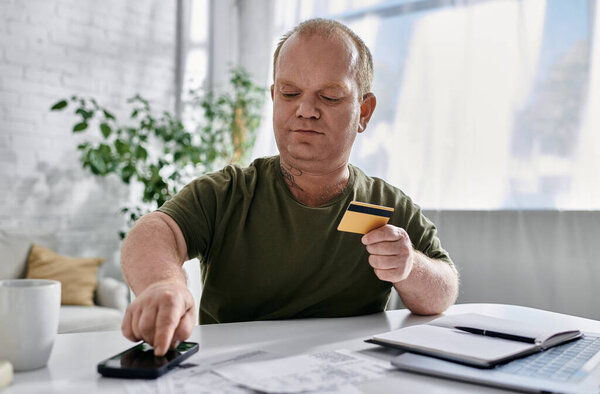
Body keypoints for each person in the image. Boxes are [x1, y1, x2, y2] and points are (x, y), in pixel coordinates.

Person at [121, 18, 459, 356]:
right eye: (290, 93)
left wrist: (410, 266)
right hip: (233, 373)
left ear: (364, 112)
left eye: (329, 97)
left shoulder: (387, 205)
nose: (306, 110)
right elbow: (156, 230)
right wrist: (164, 284)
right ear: (274, 98)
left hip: (348, 379)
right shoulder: (229, 193)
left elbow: (443, 292)